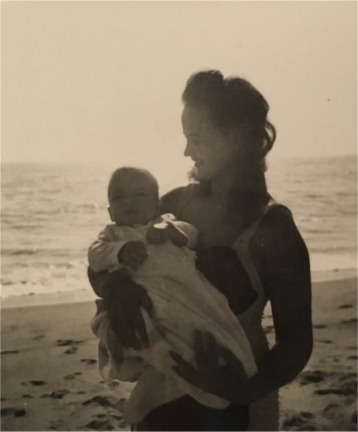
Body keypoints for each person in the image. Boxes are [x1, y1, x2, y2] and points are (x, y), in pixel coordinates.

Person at [88, 69, 313, 431]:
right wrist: (114, 288)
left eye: (197, 138)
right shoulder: (173, 205)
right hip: (161, 395)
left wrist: (241, 389)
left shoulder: (273, 228)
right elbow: (106, 256)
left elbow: (297, 344)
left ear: (237, 139)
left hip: (239, 403)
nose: (186, 150)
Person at [89, 166, 258, 428]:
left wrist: (172, 230)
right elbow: (95, 257)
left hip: (190, 303)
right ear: (110, 211)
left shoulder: (164, 220)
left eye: (138, 195)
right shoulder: (113, 235)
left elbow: (189, 232)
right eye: (118, 198)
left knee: (200, 347)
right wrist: (118, 258)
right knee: (164, 359)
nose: (129, 203)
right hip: (151, 305)